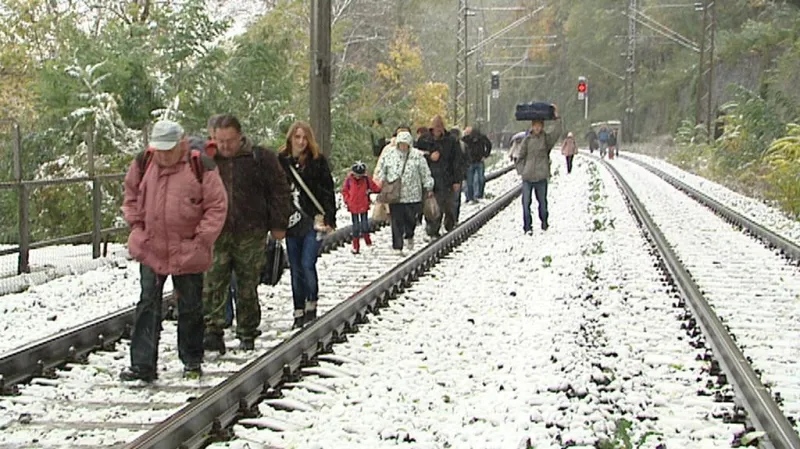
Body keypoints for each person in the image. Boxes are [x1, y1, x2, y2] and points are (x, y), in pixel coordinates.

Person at [120, 120, 228, 381]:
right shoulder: (143, 163)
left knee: (190, 307)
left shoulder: (200, 165)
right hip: (151, 248)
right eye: (160, 150)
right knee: (147, 304)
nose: (164, 155)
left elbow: (216, 206)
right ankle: (142, 365)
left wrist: (201, 240)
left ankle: (192, 360)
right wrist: (136, 228)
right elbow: (130, 195)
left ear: (181, 143)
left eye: (169, 149)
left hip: (188, 250)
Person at [202, 115, 293, 353]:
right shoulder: (207, 160)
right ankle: (213, 330)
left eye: (229, 140)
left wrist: (278, 223)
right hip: (217, 232)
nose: (225, 146)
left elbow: (279, 191)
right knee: (213, 282)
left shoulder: (260, 158)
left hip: (251, 231)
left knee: (246, 284)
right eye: (219, 140)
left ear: (240, 136)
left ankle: (247, 330)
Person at [277, 121, 337, 329]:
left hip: (313, 221)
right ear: (290, 138)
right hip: (292, 222)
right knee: (295, 267)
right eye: (297, 137)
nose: (301, 142)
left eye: (304, 138)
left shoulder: (317, 162)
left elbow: (328, 191)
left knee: (307, 264)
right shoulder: (281, 161)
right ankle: (298, 310)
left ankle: (311, 304)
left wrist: (329, 216)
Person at [375, 131, 434, 254]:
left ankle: (409, 234)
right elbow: (382, 169)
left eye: (405, 144)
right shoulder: (390, 155)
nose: (403, 146)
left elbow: (425, 172)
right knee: (396, 220)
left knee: (411, 218)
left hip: (413, 195)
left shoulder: (417, 156)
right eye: (401, 144)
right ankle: (397, 245)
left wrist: (428, 186)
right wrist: (380, 181)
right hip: (395, 195)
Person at [518, 104, 562, 234]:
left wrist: (557, 117)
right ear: (532, 126)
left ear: (542, 126)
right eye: (535, 125)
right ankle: (527, 227)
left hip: (541, 176)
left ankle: (544, 221)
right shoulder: (527, 140)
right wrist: (522, 170)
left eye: (539, 125)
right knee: (526, 203)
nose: (537, 128)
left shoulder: (546, 140)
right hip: (528, 177)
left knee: (542, 203)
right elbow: (520, 157)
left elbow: (557, 133)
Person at [420, 115, 462, 239]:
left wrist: (457, 180)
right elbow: (416, 155)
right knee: (431, 206)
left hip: (446, 178)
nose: (438, 129)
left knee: (447, 205)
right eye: (436, 126)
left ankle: (449, 224)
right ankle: (432, 230)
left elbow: (457, 161)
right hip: (429, 178)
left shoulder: (451, 141)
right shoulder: (424, 140)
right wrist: (429, 156)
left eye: (440, 126)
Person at [342, 161, 381, 254]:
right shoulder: (349, 180)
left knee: (365, 225)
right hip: (353, 206)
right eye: (357, 175)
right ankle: (356, 246)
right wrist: (347, 200)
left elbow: (374, 187)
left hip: (363, 204)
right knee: (355, 227)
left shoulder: (367, 179)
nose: (358, 177)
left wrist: (380, 188)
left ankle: (368, 242)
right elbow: (345, 191)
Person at [462, 126, 492, 204]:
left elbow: (489, 145)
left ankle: (478, 195)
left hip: (479, 161)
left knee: (480, 179)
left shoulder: (481, 137)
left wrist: (485, 155)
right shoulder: (466, 139)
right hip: (470, 162)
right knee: (470, 181)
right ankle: (471, 197)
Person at [449, 127, 468, 222]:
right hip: (453, 176)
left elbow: (466, 160)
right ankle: (453, 218)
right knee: (454, 199)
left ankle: (452, 219)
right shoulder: (461, 146)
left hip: (456, 176)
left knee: (454, 199)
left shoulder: (462, 146)